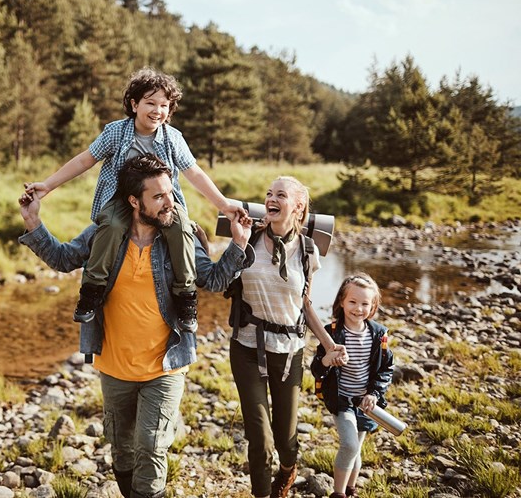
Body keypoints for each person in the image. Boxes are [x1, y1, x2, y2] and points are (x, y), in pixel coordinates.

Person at [18, 153, 253, 498]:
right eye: (158, 196)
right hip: (114, 366)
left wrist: (239, 243)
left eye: (170, 192)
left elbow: (215, 280)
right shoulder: (105, 234)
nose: (168, 202)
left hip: (166, 365)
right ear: (133, 200)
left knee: (152, 445)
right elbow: (64, 258)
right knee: (122, 448)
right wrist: (33, 223)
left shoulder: (180, 238)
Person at [24, 67, 248, 329]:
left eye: (164, 105)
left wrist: (223, 204)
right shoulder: (116, 132)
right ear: (134, 103)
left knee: (181, 228)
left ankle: (185, 295)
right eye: (150, 103)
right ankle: (92, 289)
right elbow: (85, 159)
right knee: (113, 226)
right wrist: (48, 186)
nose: (157, 111)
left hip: (166, 205)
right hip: (119, 201)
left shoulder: (173, 138)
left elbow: (194, 173)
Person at [224, 176, 345, 498]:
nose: (270, 199)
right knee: (259, 437)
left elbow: (303, 304)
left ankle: (288, 469)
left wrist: (329, 343)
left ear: (298, 206)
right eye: (268, 193)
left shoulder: (307, 252)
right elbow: (219, 276)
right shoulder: (248, 239)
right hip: (246, 347)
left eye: (280, 195)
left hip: (290, 352)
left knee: (286, 437)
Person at [310, 274, 394, 498]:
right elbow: (317, 368)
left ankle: (351, 489)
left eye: (365, 303)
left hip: (366, 402)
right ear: (341, 302)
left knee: (356, 449)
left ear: (373, 305)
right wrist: (328, 359)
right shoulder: (332, 332)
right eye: (352, 302)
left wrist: (375, 394)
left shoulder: (378, 335)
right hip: (342, 399)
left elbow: (386, 369)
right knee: (349, 445)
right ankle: (338, 494)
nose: (358, 309)